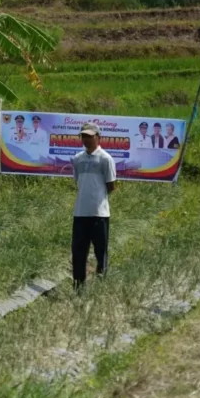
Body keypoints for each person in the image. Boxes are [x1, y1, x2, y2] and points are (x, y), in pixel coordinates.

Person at [71, 123, 117, 289]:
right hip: (80, 213)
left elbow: (111, 186)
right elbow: (79, 182)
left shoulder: (105, 159)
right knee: (78, 252)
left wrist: (97, 199)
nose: (86, 139)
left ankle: (101, 283)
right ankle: (78, 285)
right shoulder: (77, 159)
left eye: (90, 136)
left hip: (99, 214)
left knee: (100, 251)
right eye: (84, 136)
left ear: (98, 137)